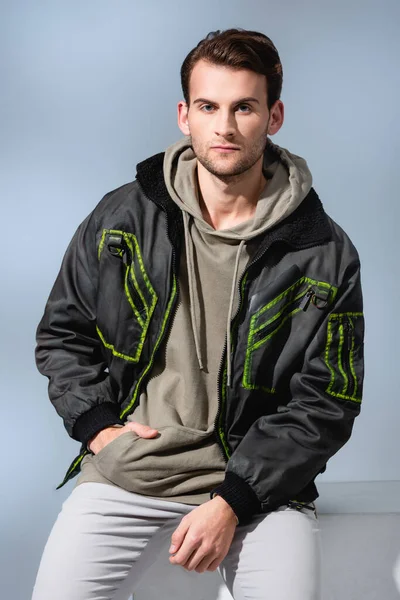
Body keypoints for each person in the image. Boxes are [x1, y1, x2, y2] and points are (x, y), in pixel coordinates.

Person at [32, 28, 365, 600]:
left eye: (244, 107)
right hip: (130, 473)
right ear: (184, 115)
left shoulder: (323, 250)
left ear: (274, 116)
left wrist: (234, 502)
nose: (225, 127)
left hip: (262, 491)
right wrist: (99, 429)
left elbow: (327, 400)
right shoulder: (123, 217)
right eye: (209, 106)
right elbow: (63, 333)